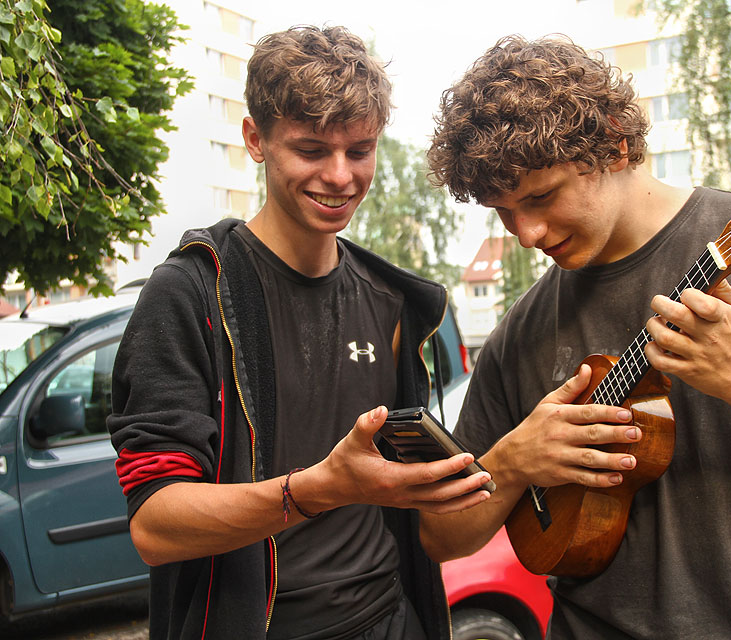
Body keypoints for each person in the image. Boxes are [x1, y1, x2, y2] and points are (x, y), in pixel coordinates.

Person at [419, 34, 731, 639]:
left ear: (615, 144)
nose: (526, 233)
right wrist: (513, 462)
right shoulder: (519, 333)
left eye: (541, 197)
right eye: (503, 211)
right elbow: (440, 538)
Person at [107, 25, 490, 640]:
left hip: (393, 620)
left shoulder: (393, 301)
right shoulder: (189, 293)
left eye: (359, 150)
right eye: (311, 150)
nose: (340, 177)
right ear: (256, 140)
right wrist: (318, 490)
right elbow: (156, 526)